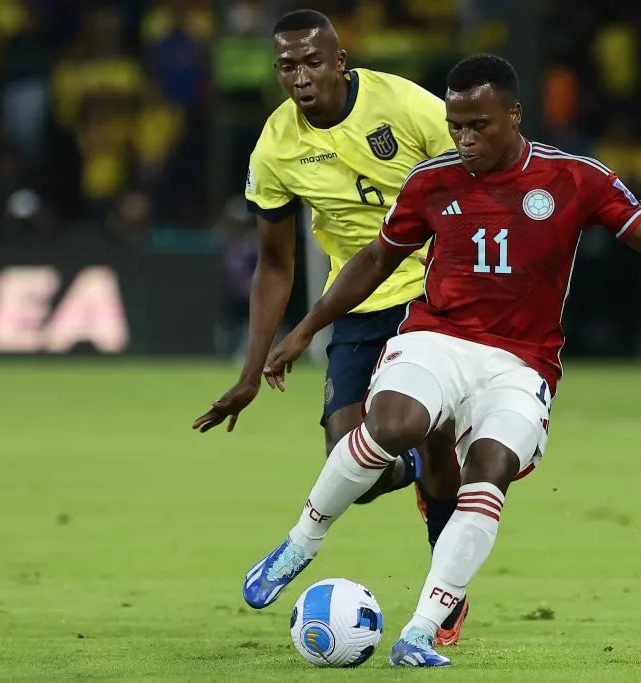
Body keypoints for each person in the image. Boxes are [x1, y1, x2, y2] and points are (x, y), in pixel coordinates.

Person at [250, 53, 641, 667]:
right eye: (456, 125)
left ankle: (421, 629)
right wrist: (308, 327)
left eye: (478, 126)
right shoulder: (431, 181)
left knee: (488, 467)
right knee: (392, 426)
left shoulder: (574, 177)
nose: (463, 139)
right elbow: (373, 261)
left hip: (522, 365)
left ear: (514, 116)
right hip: (437, 340)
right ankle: (299, 543)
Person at [189, 10, 471, 643]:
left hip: (436, 296)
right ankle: (417, 477)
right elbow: (274, 263)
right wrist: (249, 371)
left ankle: (443, 600)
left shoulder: (404, 104)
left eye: (313, 61)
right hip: (356, 301)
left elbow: (479, 173)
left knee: (436, 439)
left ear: (340, 61)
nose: (301, 76)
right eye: (287, 66)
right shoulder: (276, 146)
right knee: (353, 468)